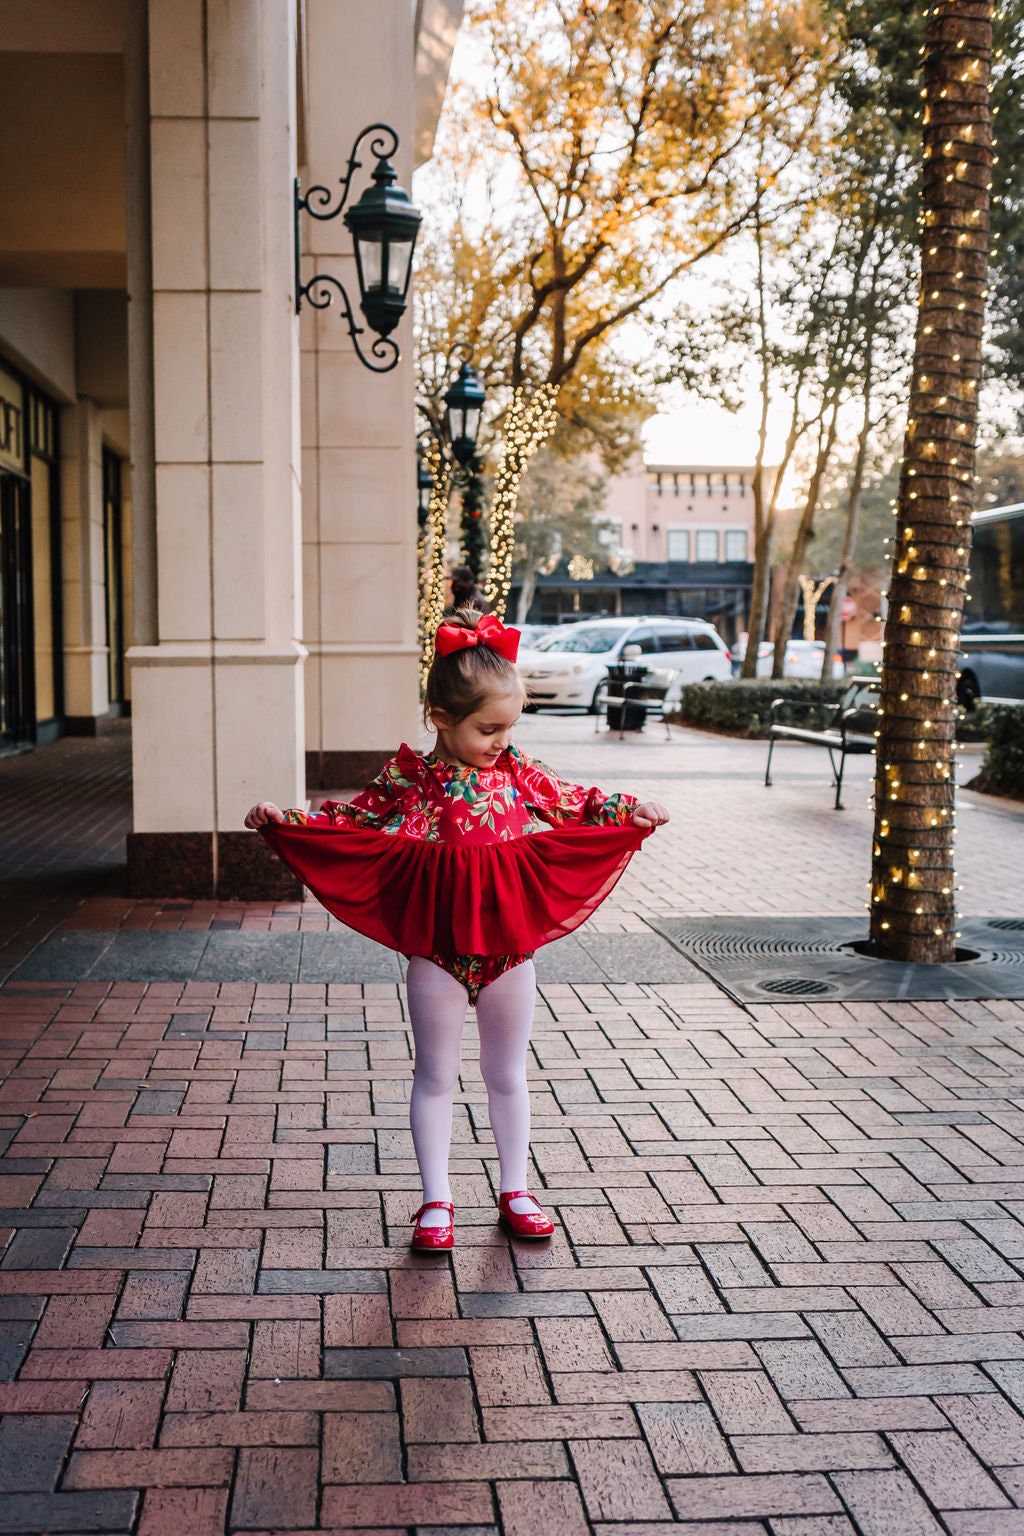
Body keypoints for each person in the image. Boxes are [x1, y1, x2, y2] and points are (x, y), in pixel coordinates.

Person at [244, 609, 669, 1251]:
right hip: (437, 951)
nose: (501, 739)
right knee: (435, 1074)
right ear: (442, 718)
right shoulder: (413, 779)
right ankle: (435, 1202)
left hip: (509, 947)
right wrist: (289, 822)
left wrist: (628, 808)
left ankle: (515, 1189)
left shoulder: (516, 769)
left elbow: (572, 799)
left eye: (509, 727)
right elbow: (351, 820)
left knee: (508, 1072)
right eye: (488, 727)